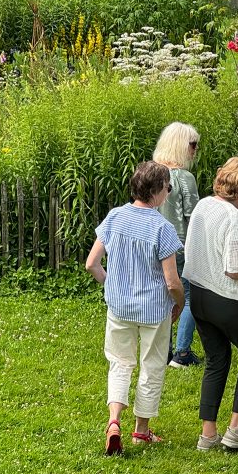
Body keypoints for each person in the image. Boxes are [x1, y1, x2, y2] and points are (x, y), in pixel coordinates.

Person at [85, 161, 186, 456]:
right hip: (154, 310)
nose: (168, 192)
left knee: (119, 362)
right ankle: (141, 430)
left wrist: (110, 284)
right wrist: (179, 304)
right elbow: (172, 281)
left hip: (119, 306)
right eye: (167, 188)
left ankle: (114, 420)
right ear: (157, 191)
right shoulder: (162, 228)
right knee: (151, 366)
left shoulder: (115, 217)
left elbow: (92, 263)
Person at [183, 157, 238, 451]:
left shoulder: (204, 206)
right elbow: (234, 269)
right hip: (229, 299)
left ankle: (208, 434)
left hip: (199, 296)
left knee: (216, 360)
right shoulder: (234, 218)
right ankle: (236, 428)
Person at [153, 122, 202, 369]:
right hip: (179, 245)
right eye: (192, 145)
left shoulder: (152, 173)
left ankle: (163, 349)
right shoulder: (184, 177)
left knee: (162, 296)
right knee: (189, 296)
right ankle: (181, 352)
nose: (195, 150)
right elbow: (193, 216)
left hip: (153, 246)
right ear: (181, 146)